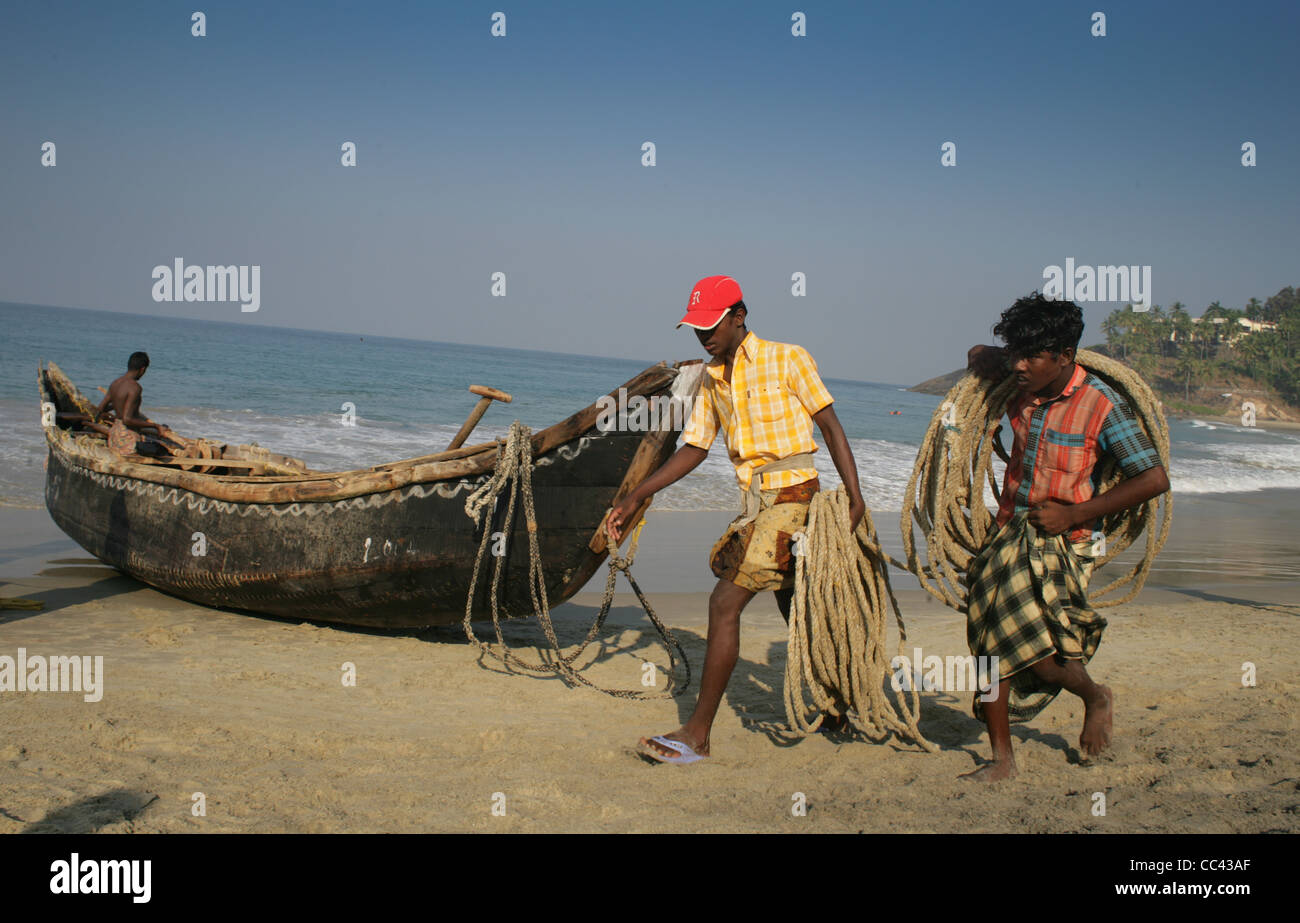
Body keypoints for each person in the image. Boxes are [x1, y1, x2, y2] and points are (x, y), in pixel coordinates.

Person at [607, 275, 866, 764]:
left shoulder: (789, 357)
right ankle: (836, 711)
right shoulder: (712, 378)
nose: (704, 335)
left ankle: (697, 735)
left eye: (712, 324)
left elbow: (830, 426)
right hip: (756, 506)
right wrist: (638, 494)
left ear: (739, 316)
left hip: (797, 499)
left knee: (724, 603)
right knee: (797, 611)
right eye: (696, 328)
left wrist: (856, 499)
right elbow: (696, 447)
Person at [963, 293, 1170, 781]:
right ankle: (1002, 760)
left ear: (1065, 356)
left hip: (1065, 541)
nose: (1019, 364)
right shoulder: (1017, 384)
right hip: (1008, 532)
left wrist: (1075, 512)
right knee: (992, 644)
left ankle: (1094, 695)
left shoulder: (1102, 406)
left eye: (1033, 355)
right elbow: (977, 355)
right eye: (1015, 352)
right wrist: (985, 354)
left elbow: (1153, 478)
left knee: (1046, 658)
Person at [93, 352, 172, 456]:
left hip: (114, 438)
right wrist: (156, 426)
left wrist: (117, 404)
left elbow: (100, 409)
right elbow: (127, 420)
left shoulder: (115, 383)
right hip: (127, 440)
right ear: (142, 369)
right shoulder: (135, 388)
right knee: (164, 451)